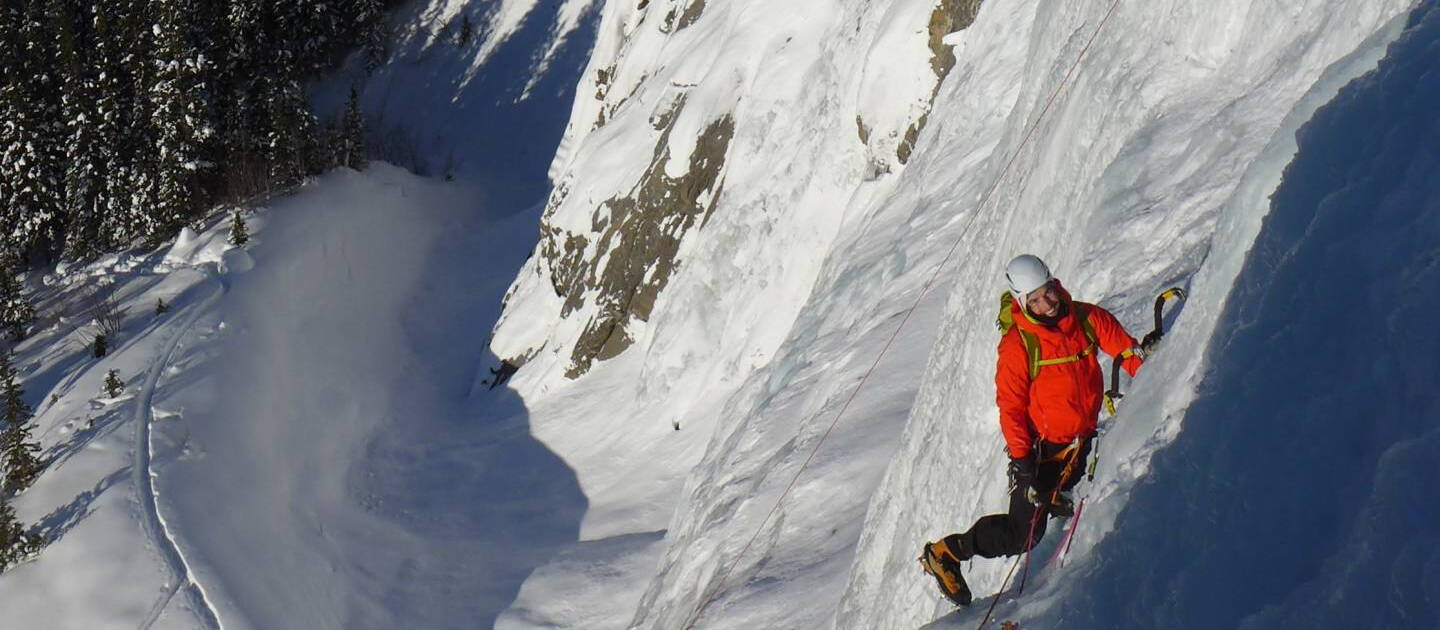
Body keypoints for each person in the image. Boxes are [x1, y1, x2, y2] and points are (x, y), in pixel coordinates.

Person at [920, 254, 1146, 607]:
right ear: (1021, 304)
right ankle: (947, 552)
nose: (1047, 304)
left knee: (1071, 497)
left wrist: (1148, 366)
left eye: (1048, 293)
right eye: (1035, 300)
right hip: (1040, 453)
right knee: (1022, 535)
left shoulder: (1087, 319)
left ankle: (1059, 503)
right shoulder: (1018, 345)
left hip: (1080, 441)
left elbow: (1125, 352)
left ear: (1055, 284)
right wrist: (1024, 464)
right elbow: (1011, 408)